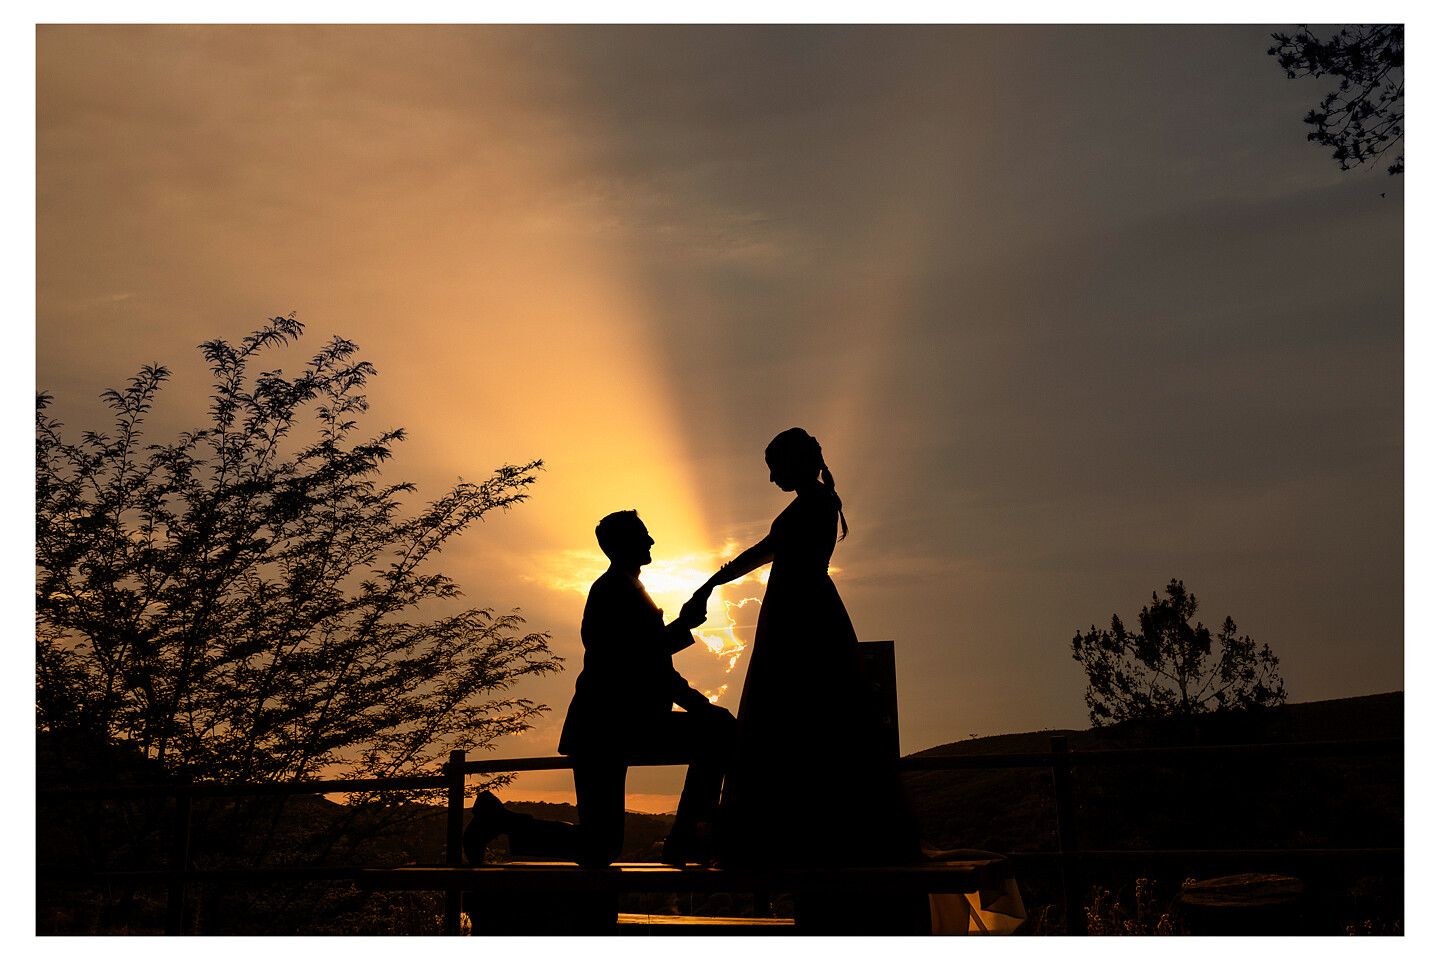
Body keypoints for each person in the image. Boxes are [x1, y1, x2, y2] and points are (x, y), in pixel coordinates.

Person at [684, 428, 926, 932]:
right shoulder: (817, 502)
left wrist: (712, 582)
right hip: (799, 611)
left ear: (796, 462)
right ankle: (810, 828)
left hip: (803, 617)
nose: (772, 477)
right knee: (808, 716)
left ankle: (806, 832)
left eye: (776, 466)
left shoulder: (814, 504)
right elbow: (766, 552)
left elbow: (766, 550)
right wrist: (714, 581)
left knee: (801, 713)